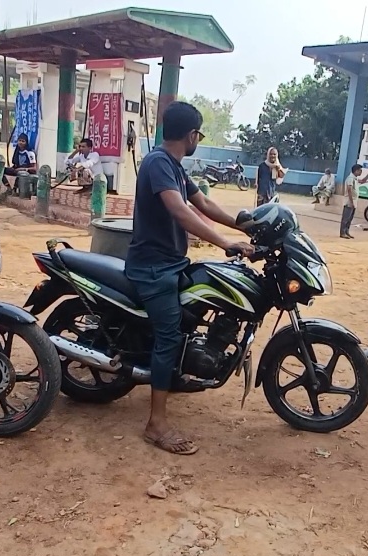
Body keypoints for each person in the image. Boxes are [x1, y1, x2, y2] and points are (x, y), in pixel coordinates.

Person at [124, 101, 254, 455]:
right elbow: (180, 211)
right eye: (199, 134)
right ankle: (156, 424)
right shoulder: (157, 163)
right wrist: (226, 243)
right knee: (168, 337)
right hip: (152, 268)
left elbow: (204, 204)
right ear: (192, 135)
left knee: (194, 311)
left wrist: (246, 226)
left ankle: (178, 373)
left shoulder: (175, 167)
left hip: (171, 263)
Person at [340, 164, 361, 239]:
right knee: (346, 218)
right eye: (360, 171)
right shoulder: (350, 178)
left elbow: (363, 181)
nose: (361, 172)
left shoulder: (355, 178)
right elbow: (349, 190)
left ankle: (346, 231)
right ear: (356, 171)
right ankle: (342, 233)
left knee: (350, 218)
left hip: (354, 201)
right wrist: (351, 202)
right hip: (349, 201)